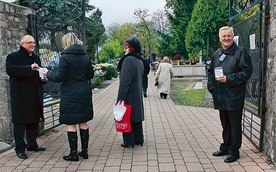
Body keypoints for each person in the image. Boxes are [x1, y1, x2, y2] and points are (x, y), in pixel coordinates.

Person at [43, 33, 94, 161]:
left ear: (66, 43)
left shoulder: (65, 57)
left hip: (70, 93)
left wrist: (47, 73)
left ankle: (73, 153)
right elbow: (90, 75)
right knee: (83, 122)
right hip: (83, 91)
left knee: (71, 123)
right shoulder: (86, 57)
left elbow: (59, 77)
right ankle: (85, 152)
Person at [207, 26, 253, 163]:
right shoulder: (217, 54)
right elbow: (210, 72)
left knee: (234, 124)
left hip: (234, 95)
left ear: (232, 37)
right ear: (220, 38)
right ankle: (226, 146)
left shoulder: (241, 52)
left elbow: (246, 72)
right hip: (220, 95)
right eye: (224, 36)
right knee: (225, 123)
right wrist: (212, 88)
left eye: (229, 36)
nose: (226, 38)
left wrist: (229, 78)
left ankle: (234, 151)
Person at [6, 35, 47, 160]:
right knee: (20, 123)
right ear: (22, 44)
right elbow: (11, 70)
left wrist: (43, 78)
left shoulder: (36, 58)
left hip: (34, 94)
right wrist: (29, 68)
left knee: (33, 121)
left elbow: (38, 75)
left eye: (33, 43)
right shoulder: (12, 57)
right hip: (20, 95)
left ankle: (32, 144)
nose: (32, 45)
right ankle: (20, 148)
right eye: (30, 43)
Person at [116, 36, 144, 148]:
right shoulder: (139, 60)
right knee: (136, 115)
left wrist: (120, 98)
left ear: (131, 48)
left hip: (129, 93)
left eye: (126, 47)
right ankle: (139, 138)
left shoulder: (128, 60)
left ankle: (128, 141)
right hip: (137, 92)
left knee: (126, 116)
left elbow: (124, 82)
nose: (125, 49)